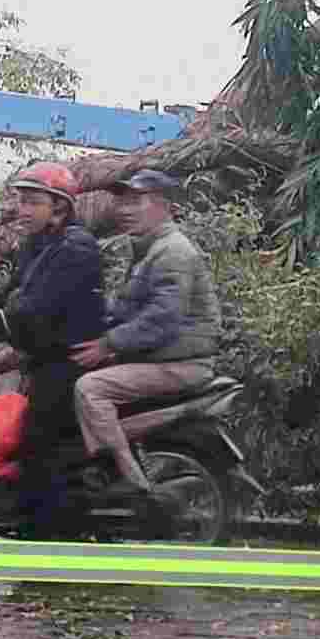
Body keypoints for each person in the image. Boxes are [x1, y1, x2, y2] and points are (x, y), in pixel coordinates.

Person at [70, 168, 220, 495]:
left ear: (164, 207)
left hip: (181, 363)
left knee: (90, 388)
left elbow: (162, 318)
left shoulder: (172, 251)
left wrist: (108, 344)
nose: (124, 209)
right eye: (122, 202)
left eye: (136, 201)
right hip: (164, 358)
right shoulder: (150, 250)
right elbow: (124, 309)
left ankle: (130, 480)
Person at [0, 162, 105, 533]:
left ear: (60, 207)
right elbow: (11, 287)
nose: (23, 210)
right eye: (21, 201)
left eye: (33, 202)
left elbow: (38, 308)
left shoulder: (75, 248)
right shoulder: (38, 243)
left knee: (40, 447)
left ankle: (51, 539)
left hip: (69, 363)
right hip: (43, 359)